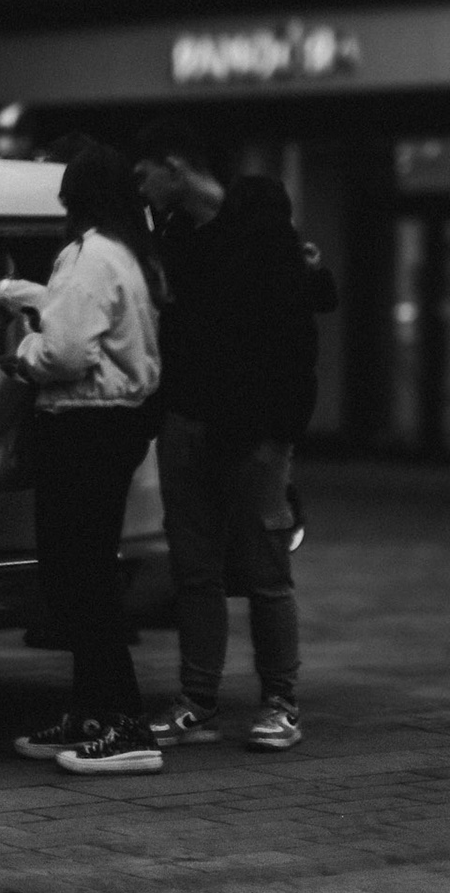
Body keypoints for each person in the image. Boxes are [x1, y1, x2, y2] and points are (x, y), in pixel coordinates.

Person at [132, 122, 338, 754]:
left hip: (250, 433)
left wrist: (276, 433)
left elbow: (294, 339)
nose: (142, 188)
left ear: (175, 166)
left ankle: (276, 703)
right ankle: (202, 702)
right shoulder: (175, 237)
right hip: (190, 423)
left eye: (145, 174)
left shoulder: (257, 231)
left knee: (263, 570)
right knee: (197, 572)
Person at [0, 140, 165, 775]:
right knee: (84, 571)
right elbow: (70, 305)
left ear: (74, 197)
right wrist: (5, 289)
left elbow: (66, 352)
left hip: (84, 428)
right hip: (115, 427)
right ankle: (92, 713)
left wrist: (22, 351)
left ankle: (126, 724)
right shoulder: (121, 252)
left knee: (79, 577)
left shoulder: (88, 254)